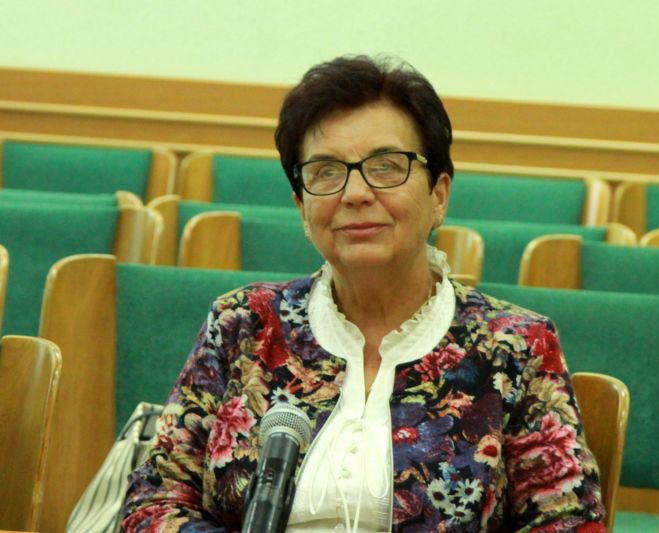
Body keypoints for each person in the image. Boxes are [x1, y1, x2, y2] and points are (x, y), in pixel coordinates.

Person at [121, 55, 605, 532]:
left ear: (438, 196)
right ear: (302, 207)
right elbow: (153, 501)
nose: (355, 194)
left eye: (386, 166)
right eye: (326, 172)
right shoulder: (242, 324)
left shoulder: (515, 347)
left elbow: (567, 523)